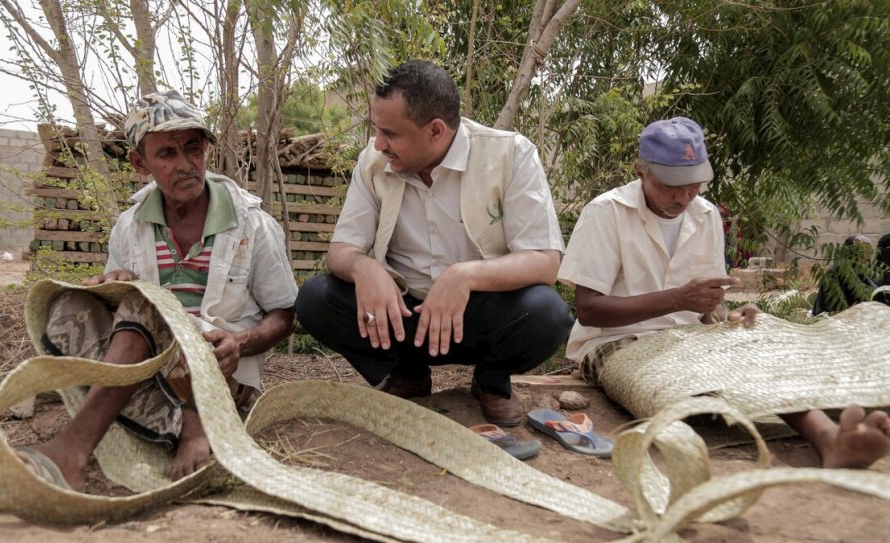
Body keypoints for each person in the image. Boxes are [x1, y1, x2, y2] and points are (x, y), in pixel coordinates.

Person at [0, 89, 297, 489]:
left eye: (193, 149)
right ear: (139, 163)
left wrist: (241, 340)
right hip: (152, 374)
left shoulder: (252, 224)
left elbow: (285, 316)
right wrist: (110, 288)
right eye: (167, 154)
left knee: (144, 305)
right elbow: (126, 321)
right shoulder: (130, 227)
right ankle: (168, 426)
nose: (186, 164)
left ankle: (75, 452)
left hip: (220, 381)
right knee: (73, 306)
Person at [559, 116, 890, 469]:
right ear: (641, 171)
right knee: (680, 384)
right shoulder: (606, 212)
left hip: (687, 337)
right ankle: (824, 434)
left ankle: (828, 437)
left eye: (694, 184)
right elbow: (590, 310)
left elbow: (707, 307)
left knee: (759, 353)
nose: (685, 195)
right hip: (613, 341)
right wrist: (676, 300)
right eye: (673, 184)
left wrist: (726, 316)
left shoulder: (706, 215)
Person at [295, 60, 571, 427]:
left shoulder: (510, 155)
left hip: (478, 319)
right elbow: (342, 250)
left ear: (436, 131)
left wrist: (464, 277)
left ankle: (491, 381)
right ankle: (405, 373)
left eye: (390, 133)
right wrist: (365, 268)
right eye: (377, 130)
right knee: (315, 298)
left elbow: (545, 261)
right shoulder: (373, 163)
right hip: (401, 320)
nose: (379, 144)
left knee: (547, 314)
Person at [811, 234, 881, 316]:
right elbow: (832, 305)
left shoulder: (864, 272)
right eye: (862, 249)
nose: (866, 254)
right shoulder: (837, 272)